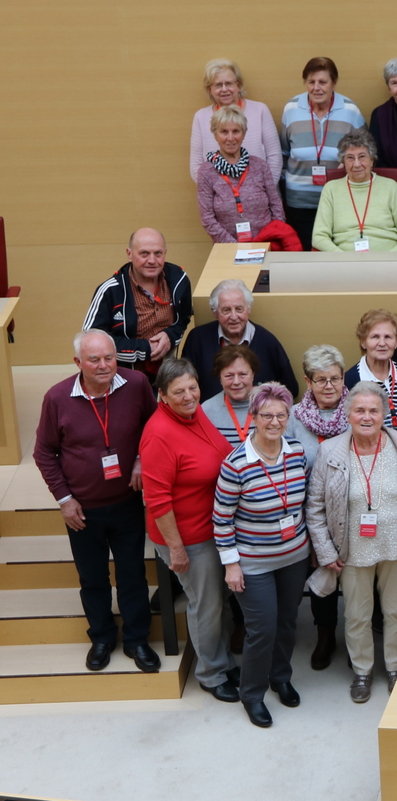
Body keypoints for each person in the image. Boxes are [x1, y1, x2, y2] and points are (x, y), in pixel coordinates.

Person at [33, 330, 159, 673]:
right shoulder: (57, 398)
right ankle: (102, 637)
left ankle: (137, 639)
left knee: (132, 574)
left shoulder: (135, 385)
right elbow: (44, 452)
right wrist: (64, 499)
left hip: (127, 502)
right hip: (81, 509)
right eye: (94, 360)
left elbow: (155, 427)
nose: (104, 366)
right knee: (92, 578)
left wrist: (141, 460)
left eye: (109, 357)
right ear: (78, 363)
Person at [306, 382, 397, 702]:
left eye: (374, 410)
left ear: (385, 413)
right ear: (347, 414)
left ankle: (394, 667)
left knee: (396, 612)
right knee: (357, 616)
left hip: (396, 545)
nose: (366, 416)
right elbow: (314, 508)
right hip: (352, 550)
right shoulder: (330, 450)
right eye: (359, 410)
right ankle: (362, 671)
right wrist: (325, 549)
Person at [139, 359, 237, 701]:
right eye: (178, 391)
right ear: (162, 396)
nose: (188, 396)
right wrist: (176, 549)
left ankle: (221, 661)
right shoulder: (159, 434)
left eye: (192, 388)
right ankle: (210, 674)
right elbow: (157, 499)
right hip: (187, 538)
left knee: (219, 600)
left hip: (213, 531)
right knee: (205, 605)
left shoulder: (196, 416)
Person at [213, 384, 309, 727]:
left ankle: (280, 677)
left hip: (294, 557)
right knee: (262, 628)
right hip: (252, 564)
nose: (274, 421)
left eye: (281, 415)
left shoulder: (296, 452)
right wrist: (231, 564)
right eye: (266, 415)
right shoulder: (236, 463)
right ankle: (251, 694)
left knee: (286, 623)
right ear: (253, 416)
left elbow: (305, 503)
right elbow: (222, 518)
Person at [284, 344, 349, 671]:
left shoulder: (357, 412)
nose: (328, 386)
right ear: (308, 382)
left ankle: (355, 638)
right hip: (306, 511)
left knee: (353, 579)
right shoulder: (293, 418)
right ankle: (325, 636)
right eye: (320, 379)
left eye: (334, 378)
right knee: (320, 576)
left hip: (351, 512)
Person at [280, 57, 365, 251]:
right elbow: (284, 152)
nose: (316, 88)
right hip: (299, 203)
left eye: (323, 82)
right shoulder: (291, 109)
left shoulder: (350, 110)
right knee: (304, 261)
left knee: (336, 259)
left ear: (333, 83)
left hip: (340, 202)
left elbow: (365, 152)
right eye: (311, 82)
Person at [83, 228, 193, 377]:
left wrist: (170, 336)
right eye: (144, 254)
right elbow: (91, 341)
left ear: (165, 254)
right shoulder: (110, 291)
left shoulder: (179, 280)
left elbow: (183, 319)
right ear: (129, 254)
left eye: (158, 253)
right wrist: (144, 348)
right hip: (122, 375)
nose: (152, 261)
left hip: (167, 373)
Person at [181, 279, 297, 401]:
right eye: (226, 310)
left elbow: (290, 390)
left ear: (249, 309)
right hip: (209, 417)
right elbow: (184, 385)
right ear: (215, 312)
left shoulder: (268, 342)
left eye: (239, 309)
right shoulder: (197, 339)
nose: (234, 317)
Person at [311, 128, 397, 252]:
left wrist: (388, 260)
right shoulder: (331, 189)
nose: (356, 164)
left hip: (387, 264)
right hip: (344, 265)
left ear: (372, 160)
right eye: (350, 158)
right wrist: (344, 259)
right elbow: (319, 237)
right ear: (343, 162)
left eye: (362, 157)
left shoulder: (391, 187)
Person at [196, 105, 289, 246]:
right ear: (215, 134)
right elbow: (207, 219)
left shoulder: (260, 166)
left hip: (266, 244)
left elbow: (276, 207)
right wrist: (234, 246)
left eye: (236, 131)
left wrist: (269, 238)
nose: (230, 138)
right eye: (224, 132)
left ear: (244, 134)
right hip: (227, 249)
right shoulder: (206, 172)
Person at [190, 58, 281, 183]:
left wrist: (261, 192)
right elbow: (196, 166)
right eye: (218, 85)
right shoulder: (201, 117)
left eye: (228, 83)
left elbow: (274, 157)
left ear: (238, 85)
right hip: (220, 199)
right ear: (209, 89)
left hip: (260, 196)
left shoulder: (260, 110)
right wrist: (222, 195)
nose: (224, 89)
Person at [343, 309, 397, 435]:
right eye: (375, 337)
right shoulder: (349, 381)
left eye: (388, 337)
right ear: (363, 342)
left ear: (396, 342)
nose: (382, 343)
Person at [200, 345, 259, 447]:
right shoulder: (206, 411)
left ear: (253, 374)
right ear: (220, 378)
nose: (236, 382)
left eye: (242, 374)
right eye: (229, 376)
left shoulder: (272, 404)